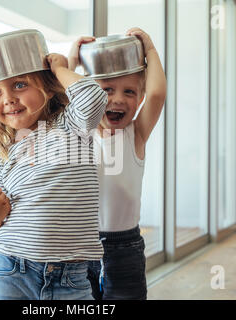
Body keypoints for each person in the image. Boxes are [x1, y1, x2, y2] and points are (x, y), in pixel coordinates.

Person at [0, 30, 108, 300]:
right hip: (9, 268)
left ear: (46, 84)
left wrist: (59, 69)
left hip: (72, 276)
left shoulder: (71, 126)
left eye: (20, 84)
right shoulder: (1, 153)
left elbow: (92, 96)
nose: (7, 98)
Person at [68, 27, 166, 300]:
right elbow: (63, 98)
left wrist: (150, 49)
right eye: (107, 90)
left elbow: (157, 93)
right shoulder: (78, 133)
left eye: (130, 92)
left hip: (125, 247)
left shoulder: (135, 135)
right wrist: (71, 62)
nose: (119, 99)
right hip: (81, 246)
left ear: (140, 97)